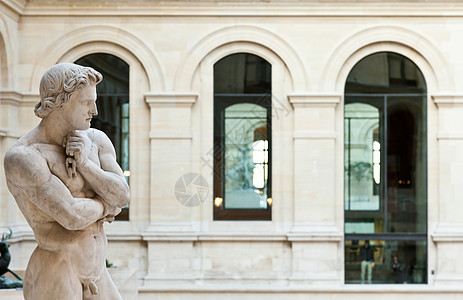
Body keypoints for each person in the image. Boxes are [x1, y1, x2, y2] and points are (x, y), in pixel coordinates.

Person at [3, 63, 130, 299]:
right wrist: (107, 206)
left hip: (97, 272)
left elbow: (123, 195)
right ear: (60, 102)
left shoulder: (96, 140)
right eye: (85, 102)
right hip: (56, 271)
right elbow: (71, 216)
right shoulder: (25, 157)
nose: (94, 111)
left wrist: (86, 165)